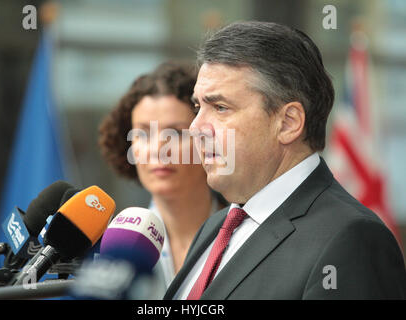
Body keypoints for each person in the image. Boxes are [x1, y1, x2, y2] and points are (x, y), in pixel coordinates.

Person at [163, 21, 406, 300]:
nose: (195, 127)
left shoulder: (353, 239)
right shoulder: (216, 227)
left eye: (220, 107)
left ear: (288, 122)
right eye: (198, 107)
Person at [98, 62, 227, 291]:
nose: (159, 148)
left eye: (176, 133)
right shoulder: (110, 248)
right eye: (143, 133)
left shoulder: (245, 233)